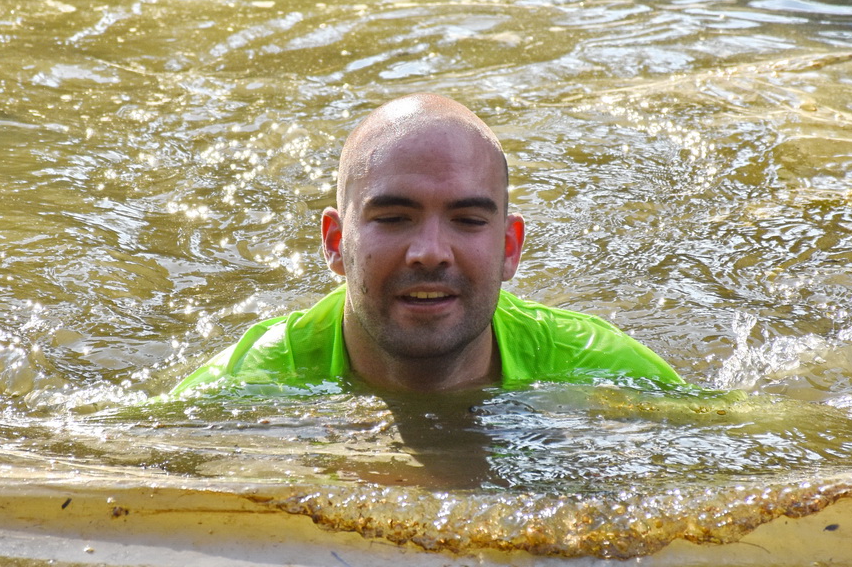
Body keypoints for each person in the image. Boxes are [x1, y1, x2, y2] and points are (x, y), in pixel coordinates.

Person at [171, 94, 685, 397]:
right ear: (334, 243)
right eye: (394, 218)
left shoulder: (600, 371)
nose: (431, 252)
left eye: (466, 220)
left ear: (510, 248)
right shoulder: (252, 384)